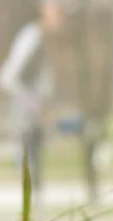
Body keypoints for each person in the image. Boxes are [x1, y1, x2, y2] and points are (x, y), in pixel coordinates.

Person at [0, 0, 62, 194]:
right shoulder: (32, 37)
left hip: (34, 117)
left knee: (35, 172)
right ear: (47, 12)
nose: (62, 19)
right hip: (26, 117)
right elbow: (8, 77)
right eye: (59, 12)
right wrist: (32, 103)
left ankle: (36, 211)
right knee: (28, 170)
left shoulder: (42, 38)